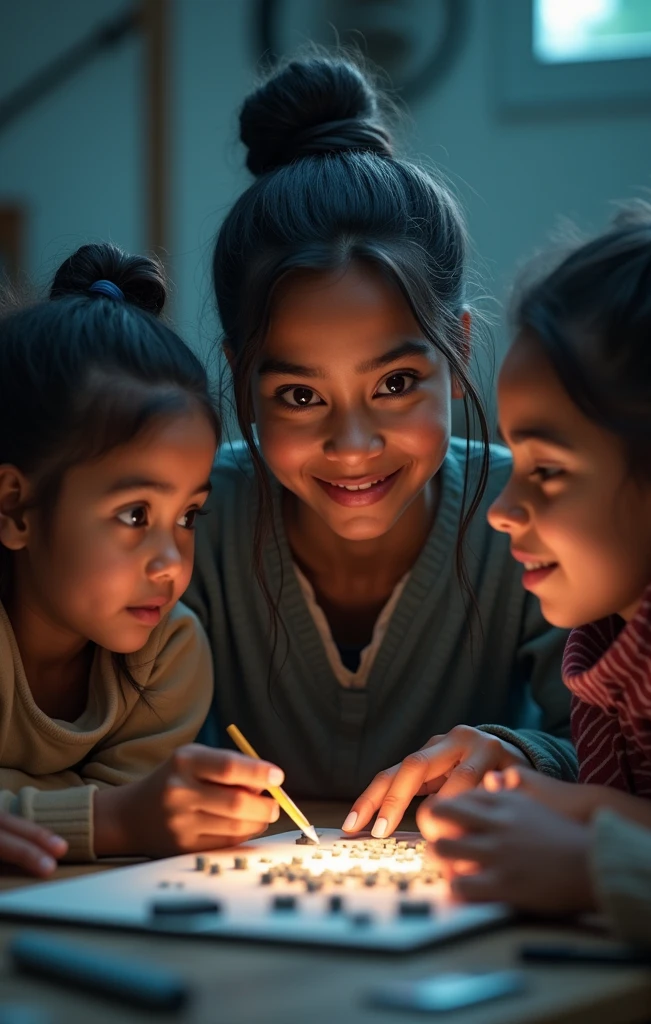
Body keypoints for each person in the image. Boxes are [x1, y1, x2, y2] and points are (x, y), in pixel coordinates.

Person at [183, 54, 576, 833]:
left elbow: (620, 751)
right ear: (240, 379)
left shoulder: (528, 519)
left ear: (458, 356)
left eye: (395, 385)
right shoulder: (193, 524)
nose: (354, 445)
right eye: (299, 396)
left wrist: (522, 756)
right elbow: (111, 745)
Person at [420, 197, 651, 957]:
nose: (502, 512)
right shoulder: (618, 629)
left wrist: (588, 863)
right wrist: (533, 769)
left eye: (548, 471)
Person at [0, 243, 284, 876]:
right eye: (135, 516)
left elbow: (112, 812)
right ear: (16, 510)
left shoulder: (170, 655)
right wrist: (117, 819)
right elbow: (115, 815)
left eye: (188, 517)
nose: (170, 565)